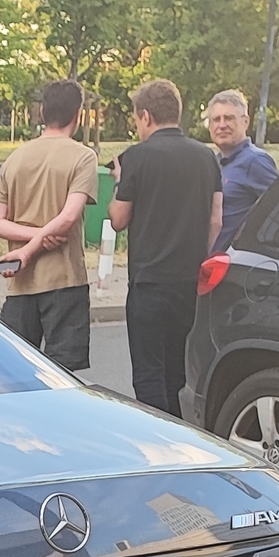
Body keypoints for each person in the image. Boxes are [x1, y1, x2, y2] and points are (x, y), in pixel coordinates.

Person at [107, 79, 222, 415]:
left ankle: (156, 437)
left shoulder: (136, 157)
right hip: (188, 283)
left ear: (145, 116)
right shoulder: (206, 157)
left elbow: (118, 218)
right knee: (176, 370)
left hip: (148, 283)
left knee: (148, 372)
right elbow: (216, 219)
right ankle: (177, 429)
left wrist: (118, 182)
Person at [0, 79, 99, 371]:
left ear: (42, 113)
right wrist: (39, 240)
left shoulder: (15, 158)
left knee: (16, 373)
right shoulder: (83, 157)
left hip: (20, 284)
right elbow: (68, 218)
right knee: (64, 377)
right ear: (78, 115)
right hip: (65, 281)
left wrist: (27, 245)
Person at [204, 89, 279, 253]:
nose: (222, 125)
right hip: (209, 267)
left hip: (234, 268)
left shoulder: (256, 162)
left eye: (229, 118)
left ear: (245, 122)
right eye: (216, 119)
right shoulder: (214, 163)